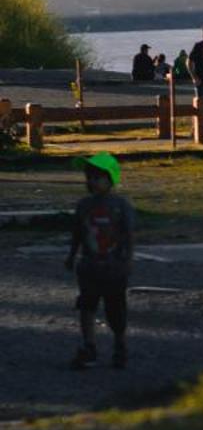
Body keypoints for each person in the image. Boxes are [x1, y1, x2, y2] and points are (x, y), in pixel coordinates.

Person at [66, 151, 133, 370]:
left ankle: (120, 345)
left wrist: (128, 260)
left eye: (97, 177)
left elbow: (128, 234)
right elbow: (77, 232)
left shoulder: (121, 206)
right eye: (89, 177)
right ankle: (89, 346)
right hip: (89, 266)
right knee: (86, 306)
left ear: (110, 179)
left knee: (115, 310)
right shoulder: (83, 205)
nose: (92, 182)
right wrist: (71, 254)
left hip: (113, 267)